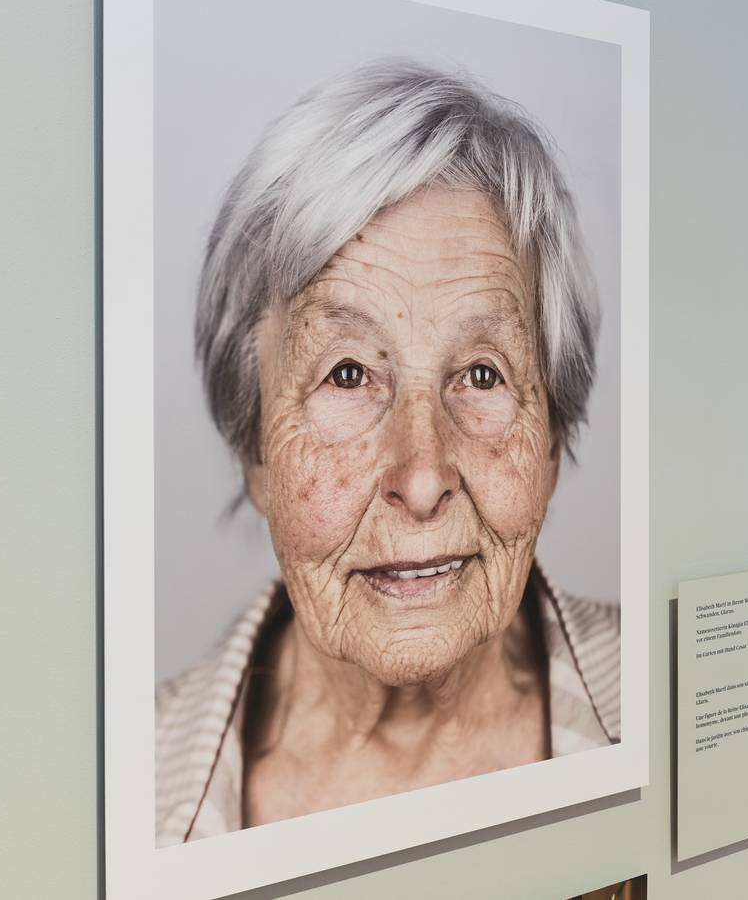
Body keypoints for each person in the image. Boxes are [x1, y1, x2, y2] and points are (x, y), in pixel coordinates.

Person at [155, 61, 620, 844]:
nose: (423, 474)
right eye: (346, 374)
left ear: (552, 436)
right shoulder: (124, 794)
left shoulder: (670, 705)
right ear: (254, 448)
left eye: (482, 374)